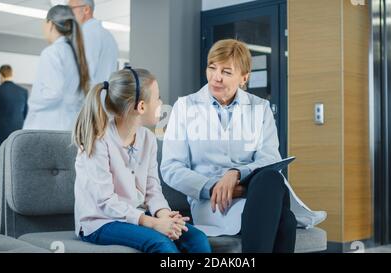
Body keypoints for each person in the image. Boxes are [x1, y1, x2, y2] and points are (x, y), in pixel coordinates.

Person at [161, 39, 297, 253]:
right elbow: (171, 168)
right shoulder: (185, 107)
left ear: (244, 78)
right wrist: (214, 187)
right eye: (212, 68)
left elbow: (269, 158)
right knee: (285, 219)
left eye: (226, 71)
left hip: (251, 193)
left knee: (271, 178)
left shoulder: (260, 108)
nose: (216, 77)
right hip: (211, 203)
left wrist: (235, 173)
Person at [72, 68, 211, 253]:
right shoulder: (99, 140)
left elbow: (152, 189)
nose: (161, 103)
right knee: (161, 244)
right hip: (100, 221)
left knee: (196, 238)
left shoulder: (148, 139)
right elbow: (105, 202)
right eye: (158, 98)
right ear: (142, 107)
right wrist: (153, 223)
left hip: (133, 216)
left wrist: (164, 215)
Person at [23, 5, 90, 131]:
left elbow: (53, 93)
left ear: (51, 24)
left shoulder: (52, 52)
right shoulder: (74, 54)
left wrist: (33, 102)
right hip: (68, 126)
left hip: (48, 126)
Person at [0, 65, 28, 202]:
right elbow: (25, 114)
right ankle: (16, 200)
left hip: (2, 136)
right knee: (16, 168)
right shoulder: (23, 91)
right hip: (18, 136)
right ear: (11, 74)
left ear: (1, 75)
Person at [68, 0, 119, 87]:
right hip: (103, 96)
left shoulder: (86, 34)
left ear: (86, 9)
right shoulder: (108, 35)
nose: (69, 14)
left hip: (89, 97)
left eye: (71, 9)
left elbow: (84, 73)